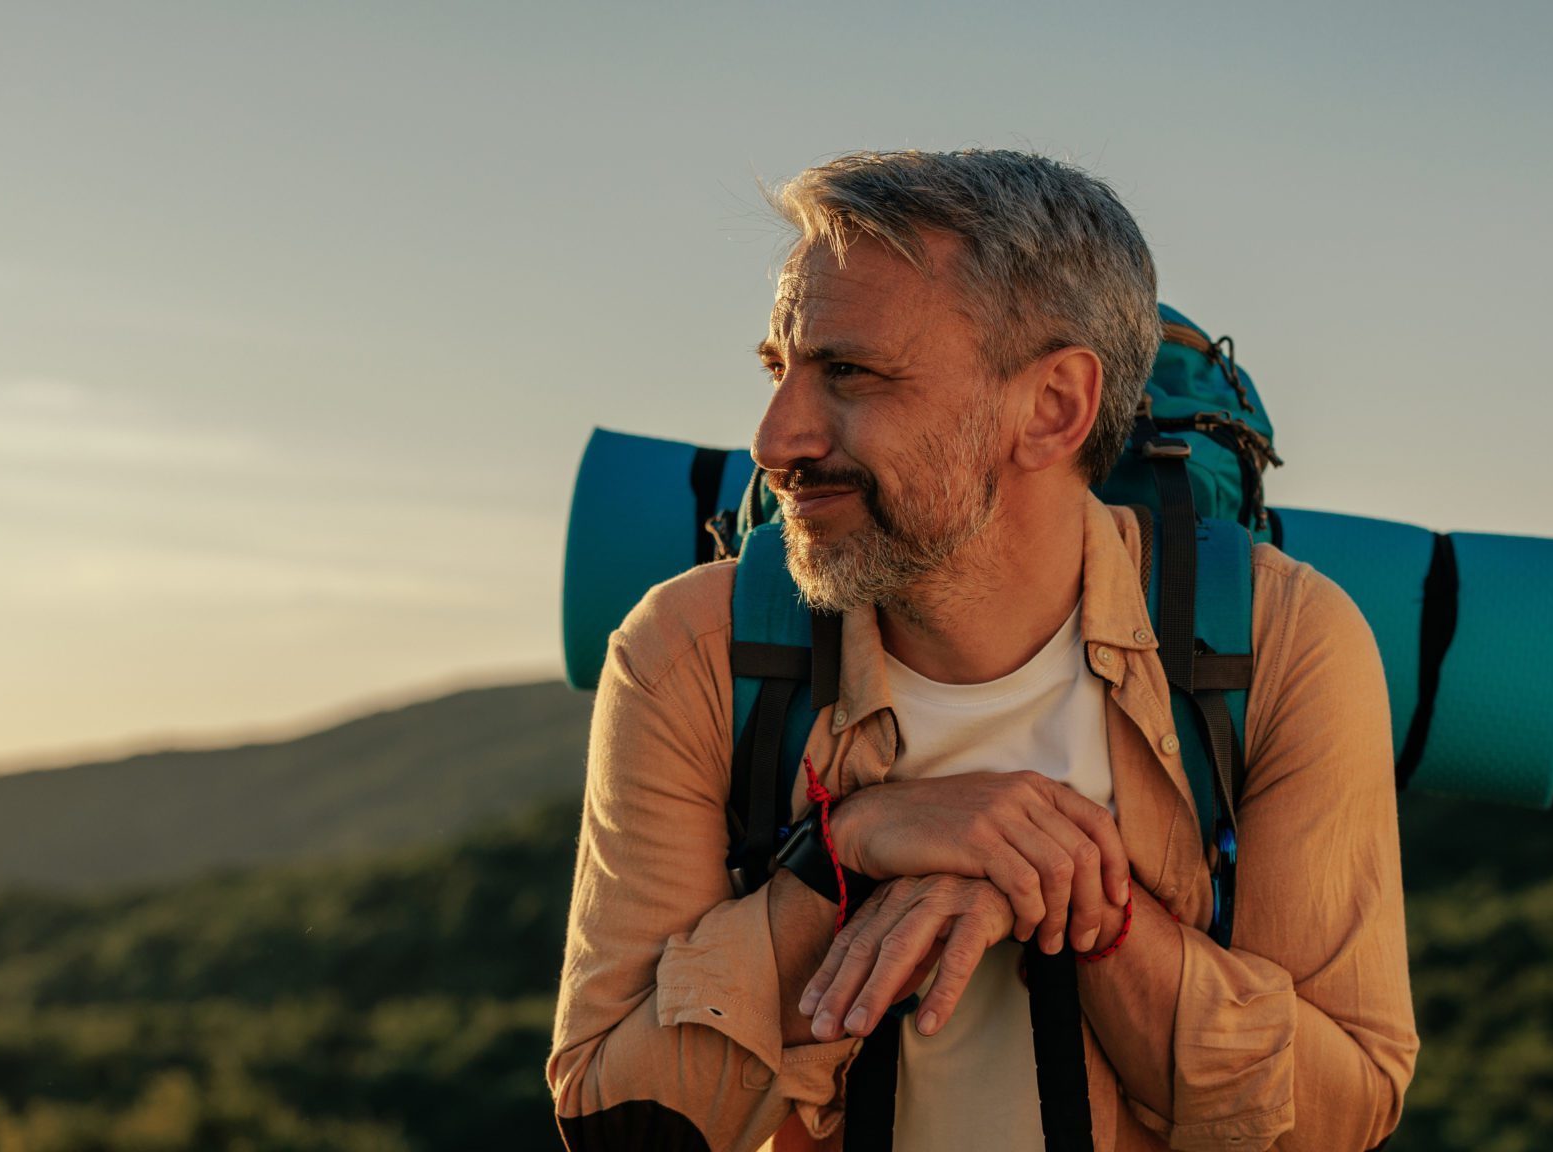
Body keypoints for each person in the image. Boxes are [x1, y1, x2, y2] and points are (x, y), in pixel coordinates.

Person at [547, 149, 1416, 1151]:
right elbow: (615, 1125)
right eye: (778, 369)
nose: (774, 438)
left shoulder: (1281, 643)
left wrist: (1067, 897)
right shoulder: (691, 649)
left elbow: (1342, 1119)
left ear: (1051, 407)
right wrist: (843, 853)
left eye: (849, 374)